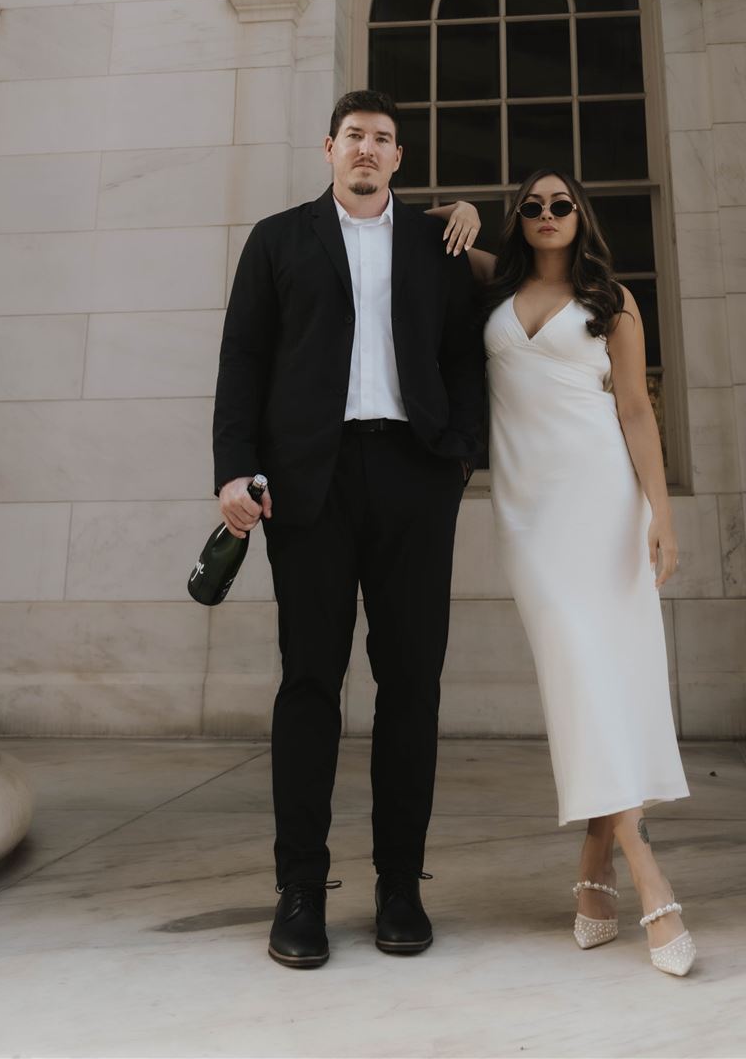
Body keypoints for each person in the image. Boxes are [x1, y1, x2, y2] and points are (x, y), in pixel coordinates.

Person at [212, 92, 484, 970]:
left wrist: (458, 457)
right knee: (309, 685)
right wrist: (233, 468)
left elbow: (465, 352)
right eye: (354, 138)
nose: (368, 151)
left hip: (412, 478)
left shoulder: (435, 244)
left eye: (384, 141)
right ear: (329, 148)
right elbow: (243, 359)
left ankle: (399, 886)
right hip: (309, 487)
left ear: (400, 158)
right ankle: (299, 890)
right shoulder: (278, 239)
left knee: (412, 686)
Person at [441, 168, 696, 979]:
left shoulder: (612, 302)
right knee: (576, 676)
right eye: (532, 206)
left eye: (562, 204)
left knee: (603, 680)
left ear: (581, 216)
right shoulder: (490, 283)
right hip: (527, 514)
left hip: (601, 504)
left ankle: (618, 871)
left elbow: (634, 409)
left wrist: (661, 513)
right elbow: (423, 235)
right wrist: (460, 206)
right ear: (519, 220)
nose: (547, 214)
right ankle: (618, 860)